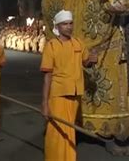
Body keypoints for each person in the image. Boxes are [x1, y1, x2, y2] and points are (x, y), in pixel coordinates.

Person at [41, 10, 97, 161]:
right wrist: (45, 103)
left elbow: (86, 62)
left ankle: (68, 158)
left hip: (75, 94)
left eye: (71, 23)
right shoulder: (51, 46)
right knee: (56, 130)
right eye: (64, 24)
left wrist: (92, 59)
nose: (69, 27)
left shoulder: (78, 43)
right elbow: (47, 76)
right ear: (57, 27)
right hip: (58, 94)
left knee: (69, 129)